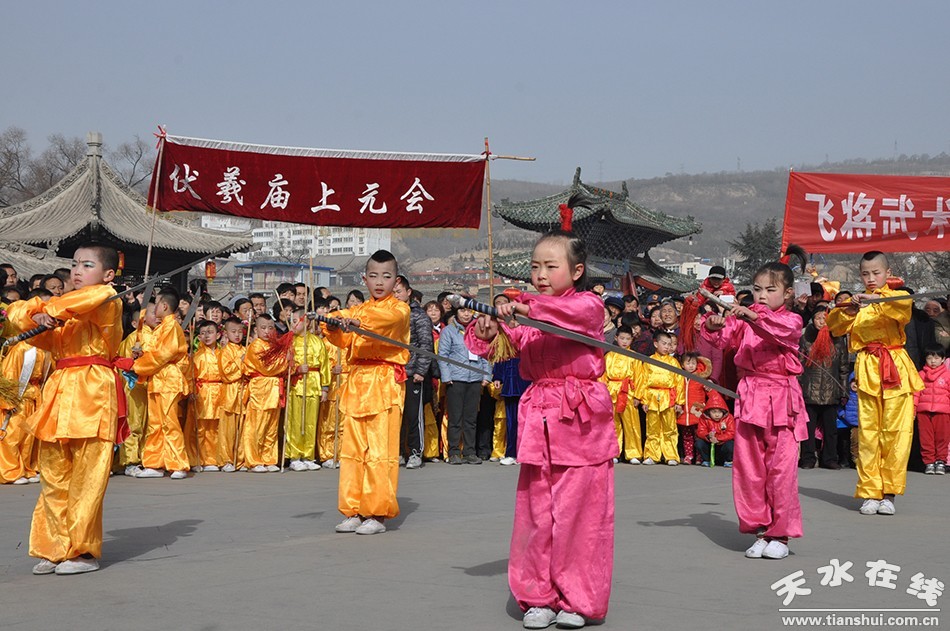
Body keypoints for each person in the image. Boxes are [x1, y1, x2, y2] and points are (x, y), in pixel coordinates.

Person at [469, 226, 616, 629]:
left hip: (580, 418)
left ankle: (577, 597)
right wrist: (489, 329)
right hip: (541, 415)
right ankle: (537, 595)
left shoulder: (587, 305)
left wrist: (524, 307)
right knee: (537, 511)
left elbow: (569, 315)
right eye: (535, 267)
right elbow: (504, 340)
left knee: (580, 516)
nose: (541, 274)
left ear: (577, 270)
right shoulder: (531, 313)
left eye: (551, 266)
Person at [6, 243, 125, 575]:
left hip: (93, 390)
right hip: (59, 390)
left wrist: (49, 310)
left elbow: (83, 300)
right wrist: (38, 316)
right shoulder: (66, 310)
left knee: (88, 476)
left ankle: (83, 551)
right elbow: (20, 318)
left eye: (87, 265)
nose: (76, 271)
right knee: (54, 474)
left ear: (108, 274)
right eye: (74, 264)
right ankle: (54, 546)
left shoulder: (106, 298)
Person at [701, 254, 808, 560]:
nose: (761, 295)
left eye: (770, 290)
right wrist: (713, 324)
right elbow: (722, 339)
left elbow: (777, 330)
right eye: (758, 289)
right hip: (750, 396)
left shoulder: (790, 319)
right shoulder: (746, 318)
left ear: (787, 294)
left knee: (780, 470)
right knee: (749, 469)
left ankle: (780, 533)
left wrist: (751, 316)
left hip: (781, 399)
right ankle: (760, 529)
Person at [826, 251, 924, 516]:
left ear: (887, 272)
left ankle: (889, 494)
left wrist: (877, 298)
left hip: (895, 367)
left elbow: (902, 312)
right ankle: (870, 492)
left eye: (876, 273)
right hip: (868, 368)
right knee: (869, 434)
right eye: (866, 274)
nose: (871, 279)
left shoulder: (898, 294)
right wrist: (849, 309)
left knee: (897, 434)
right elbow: (834, 326)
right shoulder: (858, 302)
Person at [321, 250, 410, 535]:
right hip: (358, 379)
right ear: (365, 278)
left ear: (396, 280)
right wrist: (331, 321)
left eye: (386, 276)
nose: (379, 282)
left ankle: (377, 513)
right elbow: (342, 328)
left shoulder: (399, 309)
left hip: (384, 379)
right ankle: (354, 509)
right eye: (373, 276)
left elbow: (384, 322)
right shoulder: (357, 310)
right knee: (353, 449)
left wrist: (358, 324)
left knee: (380, 450)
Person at [133, 290, 190, 480]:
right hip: (157, 378)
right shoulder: (161, 328)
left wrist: (139, 365)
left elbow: (164, 354)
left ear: (164, 306)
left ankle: (178, 463)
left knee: (169, 422)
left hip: (168, 379)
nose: (154, 307)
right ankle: (154, 463)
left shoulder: (172, 326)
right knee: (156, 424)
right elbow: (153, 351)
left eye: (156, 303)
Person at [437, 300, 490, 465]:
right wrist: (446, 377)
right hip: (455, 379)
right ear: (456, 313)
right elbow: (443, 356)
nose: (466, 314)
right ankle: (453, 452)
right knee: (455, 417)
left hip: (475, 379)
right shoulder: (449, 331)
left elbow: (486, 354)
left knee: (471, 418)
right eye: (462, 311)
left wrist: (486, 376)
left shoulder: (478, 331)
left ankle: (469, 452)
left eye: (469, 311)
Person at [798, 308, 849, 469]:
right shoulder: (805, 338)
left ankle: (830, 458)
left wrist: (844, 390)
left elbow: (843, 367)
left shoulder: (838, 339)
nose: (822, 321)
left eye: (825, 318)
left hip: (831, 389)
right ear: (812, 320)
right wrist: (798, 388)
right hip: (809, 389)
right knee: (808, 427)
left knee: (831, 429)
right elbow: (798, 365)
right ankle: (808, 458)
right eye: (818, 318)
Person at [394, 275, 435, 470]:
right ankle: (399, 451)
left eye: (399, 291)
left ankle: (415, 452)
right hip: (393, 371)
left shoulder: (418, 316)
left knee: (413, 414)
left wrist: (420, 370)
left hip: (412, 372)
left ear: (408, 292)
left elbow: (426, 345)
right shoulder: (390, 314)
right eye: (393, 292)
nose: (396, 295)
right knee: (396, 414)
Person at [242, 314, 290, 473]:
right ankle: (254, 460)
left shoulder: (274, 346)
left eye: (271, 328)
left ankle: (269, 458)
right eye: (263, 328)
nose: (267, 331)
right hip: (261, 388)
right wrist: (286, 361)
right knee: (257, 426)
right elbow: (267, 367)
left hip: (274, 389)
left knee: (271, 427)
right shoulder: (256, 346)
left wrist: (288, 358)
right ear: (255, 329)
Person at [286, 308, 330, 471]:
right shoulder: (289, 342)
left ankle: (309, 455)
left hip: (313, 384)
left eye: (296, 320)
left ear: (306, 321)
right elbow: (284, 365)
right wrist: (296, 369)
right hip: (296, 385)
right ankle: (295, 456)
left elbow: (324, 365)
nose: (293, 324)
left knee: (311, 422)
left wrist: (325, 388)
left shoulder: (317, 341)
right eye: (292, 321)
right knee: (295, 421)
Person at [636, 330, 684, 465]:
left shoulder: (674, 362)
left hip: (668, 396)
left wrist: (679, 401)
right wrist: (643, 400)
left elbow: (679, 382)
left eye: (669, 344)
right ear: (656, 344)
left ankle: (671, 456)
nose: (667, 347)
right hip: (652, 396)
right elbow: (643, 381)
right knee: (652, 427)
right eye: (664, 343)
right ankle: (652, 455)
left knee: (670, 428)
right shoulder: (649, 361)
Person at [602, 325, 643, 464]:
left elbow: (640, 377)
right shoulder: (609, 356)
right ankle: (614, 451)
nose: (625, 341)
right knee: (614, 423)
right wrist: (603, 392)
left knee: (631, 423)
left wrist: (638, 395)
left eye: (628, 339)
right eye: (622, 338)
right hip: (612, 390)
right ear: (616, 338)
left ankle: (634, 453)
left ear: (632, 339)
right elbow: (603, 376)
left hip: (628, 392)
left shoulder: (634, 357)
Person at [192, 320, 226, 471]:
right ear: (199, 336)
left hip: (219, 390)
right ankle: (200, 459)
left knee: (217, 427)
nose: (207, 336)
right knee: (201, 428)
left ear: (218, 335)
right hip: (202, 392)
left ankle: (214, 459)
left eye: (210, 332)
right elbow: (191, 376)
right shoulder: (196, 355)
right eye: (203, 333)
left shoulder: (222, 354)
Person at [914, 346, 950, 475]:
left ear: (943, 359)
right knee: (926, 438)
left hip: (942, 411)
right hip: (923, 411)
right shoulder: (921, 375)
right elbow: (916, 393)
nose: (933, 361)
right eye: (929, 358)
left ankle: (940, 461)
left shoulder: (947, 375)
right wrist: (913, 409)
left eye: (936, 358)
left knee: (942, 438)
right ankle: (929, 462)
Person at [218, 317, 245, 472]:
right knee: (228, 430)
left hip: (243, 392)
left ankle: (240, 460)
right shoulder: (225, 352)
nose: (237, 335)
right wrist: (241, 363)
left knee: (242, 429)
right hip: (230, 392)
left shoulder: (245, 349)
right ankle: (226, 459)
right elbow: (227, 374)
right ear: (226, 333)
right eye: (233, 331)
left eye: (240, 331)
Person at [677, 352, 711, 465]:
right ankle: (688, 455)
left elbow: (709, 390)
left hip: (697, 413)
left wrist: (710, 384)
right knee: (687, 436)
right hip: (684, 413)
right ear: (682, 365)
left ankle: (699, 456)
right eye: (688, 363)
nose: (691, 366)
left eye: (693, 363)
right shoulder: (679, 377)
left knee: (699, 435)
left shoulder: (700, 377)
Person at [695, 391, 736, 467]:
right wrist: (708, 436)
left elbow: (731, 432)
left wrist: (718, 438)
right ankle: (706, 459)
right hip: (710, 443)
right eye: (714, 412)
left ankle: (728, 460)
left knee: (730, 444)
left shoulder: (729, 418)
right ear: (709, 411)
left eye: (719, 412)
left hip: (722, 444)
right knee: (699, 443)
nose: (717, 414)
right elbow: (700, 431)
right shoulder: (704, 418)